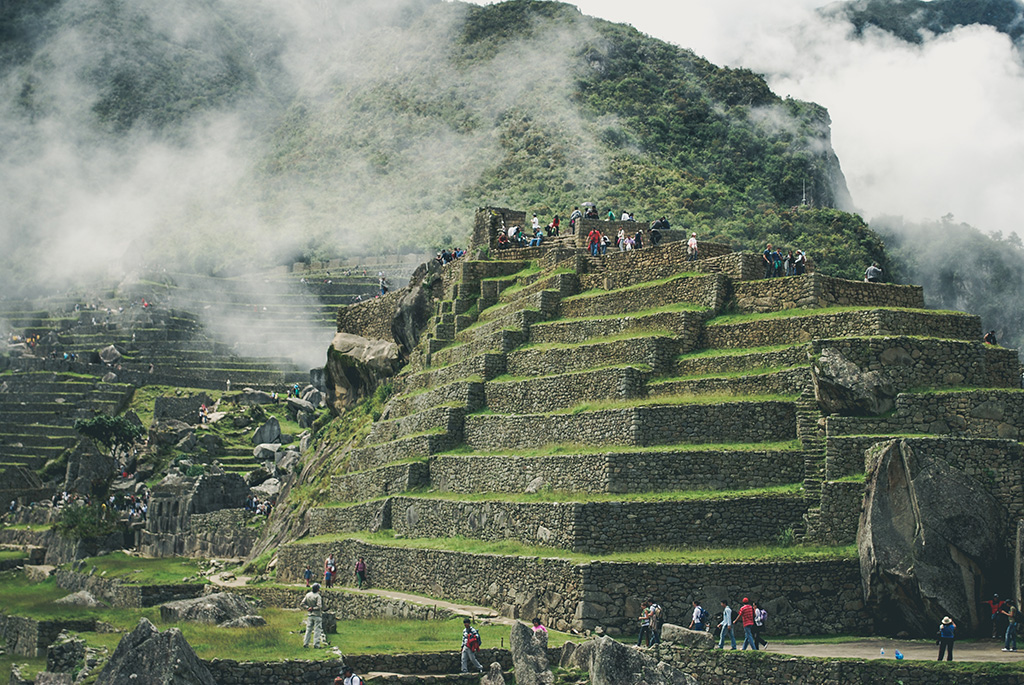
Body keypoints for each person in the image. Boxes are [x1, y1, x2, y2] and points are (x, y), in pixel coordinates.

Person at [301, 583, 325, 648]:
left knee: (308, 629)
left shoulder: (308, 595)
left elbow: (302, 603)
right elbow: (319, 606)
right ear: (318, 589)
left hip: (310, 615)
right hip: (317, 615)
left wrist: (308, 607)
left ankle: (305, 643)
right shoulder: (317, 596)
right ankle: (316, 644)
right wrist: (313, 608)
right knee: (317, 630)